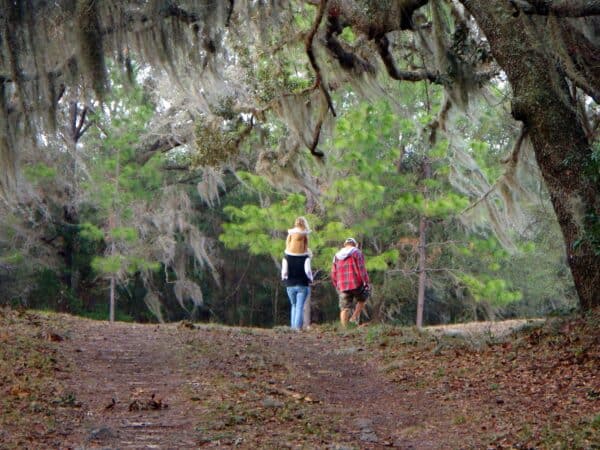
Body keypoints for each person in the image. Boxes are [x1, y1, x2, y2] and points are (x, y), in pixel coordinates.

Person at [331, 237, 370, 327]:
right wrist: (366, 281)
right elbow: (361, 269)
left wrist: (336, 284)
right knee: (362, 299)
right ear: (355, 244)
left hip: (342, 285)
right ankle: (354, 317)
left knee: (344, 308)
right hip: (356, 283)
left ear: (345, 245)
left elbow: (333, 272)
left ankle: (344, 329)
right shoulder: (357, 252)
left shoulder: (336, 255)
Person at [281, 249, 313, 330]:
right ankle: (297, 328)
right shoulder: (306, 258)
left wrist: (284, 278)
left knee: (294, 305)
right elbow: (308, 271)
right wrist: (311, 279)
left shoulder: (286, 258)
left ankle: (293, 327)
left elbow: (284, 272)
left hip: (290, 285)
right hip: (302, 284)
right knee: (300, 307)